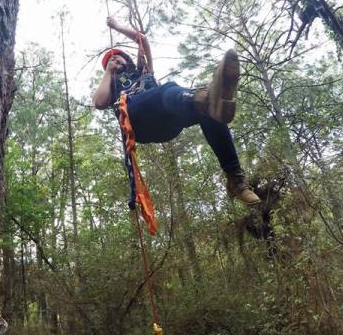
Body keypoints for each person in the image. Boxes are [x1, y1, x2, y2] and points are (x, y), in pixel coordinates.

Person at [93, 16, 260, 205]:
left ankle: (235, 180)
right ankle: (201, 98)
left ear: (127, 59)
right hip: (137, 122)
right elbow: (99, 102)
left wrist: (117, 26)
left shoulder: (143, 71)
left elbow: (142, 40)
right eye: (109, 61)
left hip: (167, 120)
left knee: (208, 111)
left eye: (117, 56)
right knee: (172, 91)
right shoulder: (112, 85)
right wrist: (108, 72)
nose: (113, 59)